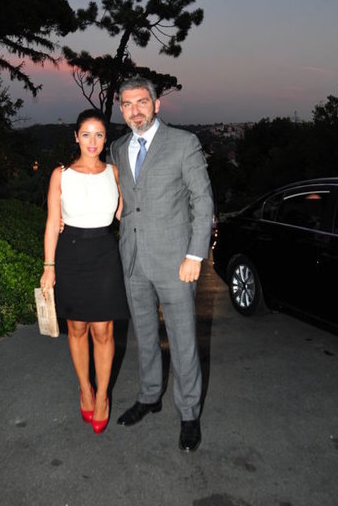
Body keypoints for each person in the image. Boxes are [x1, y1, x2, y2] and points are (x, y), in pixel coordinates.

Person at [110, 77, 214, 452]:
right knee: (144, 335)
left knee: (183, 340)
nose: (134, 110)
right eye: (127, 104)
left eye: (142, 102)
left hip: (175, 262)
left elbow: (203, 202)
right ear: (121, 109)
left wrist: (194, 255)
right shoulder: (117, 148)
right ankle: (150, 395)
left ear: (157, 104)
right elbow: (120, 201)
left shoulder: (184, 143)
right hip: (133, 259)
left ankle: (189, 414)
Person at [40, 109, 129, 435]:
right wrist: (49, 266)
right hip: (71, 254)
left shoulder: (115, 173)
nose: (93, 141)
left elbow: (126, 214)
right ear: (76, 137)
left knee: (103, 330)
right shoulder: (60, 175)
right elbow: (53, 222)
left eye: (99, 134)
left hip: (104, 254)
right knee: (77, 328)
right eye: (86, 134)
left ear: (106, 139)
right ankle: (85, 389)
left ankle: (102, 395)